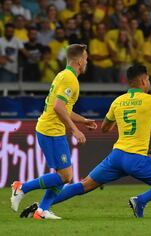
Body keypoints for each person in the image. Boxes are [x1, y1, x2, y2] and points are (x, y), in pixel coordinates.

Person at [20, 64, 151, 219]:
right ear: (143, 82)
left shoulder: (118, 102)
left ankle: (41, 207)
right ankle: (140, 201)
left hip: (116, 156)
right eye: (148, 80)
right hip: (136, 158)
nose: (149, 83)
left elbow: (106, 128)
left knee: (84, 185)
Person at [11, 44, 97, 219]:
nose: (86, 61)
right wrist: (75, 130)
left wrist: (83, 120)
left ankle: (42, 211)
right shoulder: (69, 79)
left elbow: (64, 108)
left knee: (64, 175)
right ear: (80, 60)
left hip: (51, 129)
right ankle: (22, 188)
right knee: (65, 176)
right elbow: (58, 107)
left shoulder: (63, 75)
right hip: (51, 131)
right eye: (86, 58)